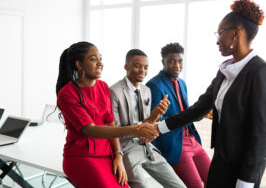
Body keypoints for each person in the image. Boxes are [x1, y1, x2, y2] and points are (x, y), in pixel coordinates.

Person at [148, 0, 266, 188]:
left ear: (236, 32)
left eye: (221, 33)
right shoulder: (226, 70)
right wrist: (158, 128)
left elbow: (261, 132)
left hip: (244, 166)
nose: (217, 40)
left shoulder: (260, 71)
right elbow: (198, 109)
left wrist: (246, 180)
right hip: (222, 157)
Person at [56, 42, 168, 188]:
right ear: (79, 64)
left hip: (107, 155)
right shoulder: (67, 93)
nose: (100, 63)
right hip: (82, 157)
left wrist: (118, 155)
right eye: (93, 59)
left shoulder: (102, 87)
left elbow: (110, 122)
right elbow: (91, 129)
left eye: (100, 58)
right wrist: (135, 129)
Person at [110, 49, 186, 188]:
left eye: (146, 67)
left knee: (179, 186)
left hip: (148, 147)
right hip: (126, 148)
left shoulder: (147, 91)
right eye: (137, 66)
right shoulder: (114, 91)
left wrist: (155, 116)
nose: (142, 71)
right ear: (126, 66)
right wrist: (118, 154)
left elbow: (146, 124)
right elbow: (114, 130)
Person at [146, 43, 211, 188]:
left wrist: (202, 114)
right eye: (171, 61)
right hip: (175, 143)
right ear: (163, 62)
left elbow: (187, 114)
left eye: (180, 61)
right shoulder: (154, 85)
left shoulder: (182, 83)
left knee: (214, 178)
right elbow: (154, 120)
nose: (177, 65)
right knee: (195, 186)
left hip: (192, 139)